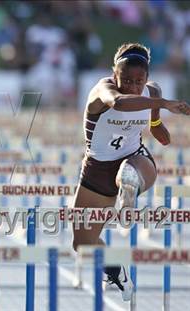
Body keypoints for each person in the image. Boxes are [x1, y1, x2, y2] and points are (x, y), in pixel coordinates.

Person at [71, 42, 190, 301]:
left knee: (129, 167)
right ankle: (115, 270)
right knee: (81, 243)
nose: (133, 86)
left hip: (136, 159)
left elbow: (154, 122)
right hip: (98, 170)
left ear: (147, 77)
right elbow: (120, 103)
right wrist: (165, 103)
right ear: (115, 74)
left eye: (139, 81)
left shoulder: (152, 90)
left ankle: (128, 192)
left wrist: (158, 127)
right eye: (126, 79)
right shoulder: (103, 90)